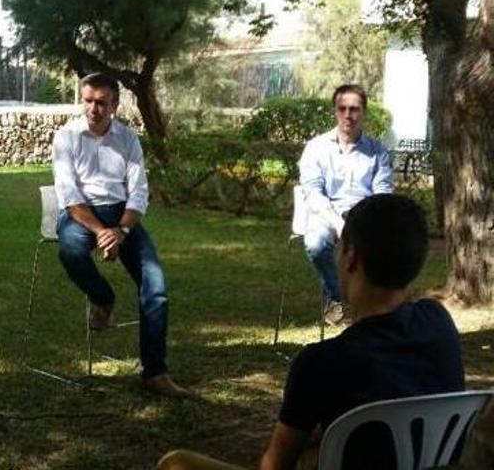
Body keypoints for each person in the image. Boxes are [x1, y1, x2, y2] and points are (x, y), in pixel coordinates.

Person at [158, 193, 466, 470]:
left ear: (351, 257)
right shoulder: (438, 322)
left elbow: (275, 465)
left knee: (176, 463)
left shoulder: (321, 363)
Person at [52, 72, 188, 398]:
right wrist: (102, 233)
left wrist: (122, 230)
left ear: (114, 104)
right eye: (88, 101)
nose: (93, 108)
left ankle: (155, 372)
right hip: (81, 215)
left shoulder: (128, 140)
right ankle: (103, 299)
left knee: (155, 287)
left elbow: (139, 193)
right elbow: (70, 197)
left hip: (122, 218)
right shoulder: (66, 137)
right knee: (70, 250)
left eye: (101, 102)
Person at [299, 84, 393, 325]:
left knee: (381, 247)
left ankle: (373, 306)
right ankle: (337, 297)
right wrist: (338, 223)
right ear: (335, 111)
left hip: (363, 214)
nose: (348, 115)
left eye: (354, 109)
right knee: (316, 243)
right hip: (326, 213)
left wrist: (361, 221)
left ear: (364, 112)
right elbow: (312, 191)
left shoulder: (377, 151)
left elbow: (382, 193)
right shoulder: (316, 147)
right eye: (342, 109)